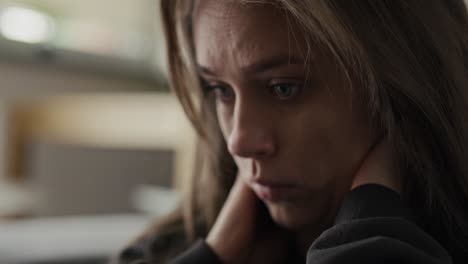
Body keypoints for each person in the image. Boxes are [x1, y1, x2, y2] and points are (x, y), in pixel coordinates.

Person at [113, 0, 468, 263]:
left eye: (284, 88)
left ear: (399, 88)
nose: (240, 140)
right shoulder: (165, 251)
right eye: (220, 90)